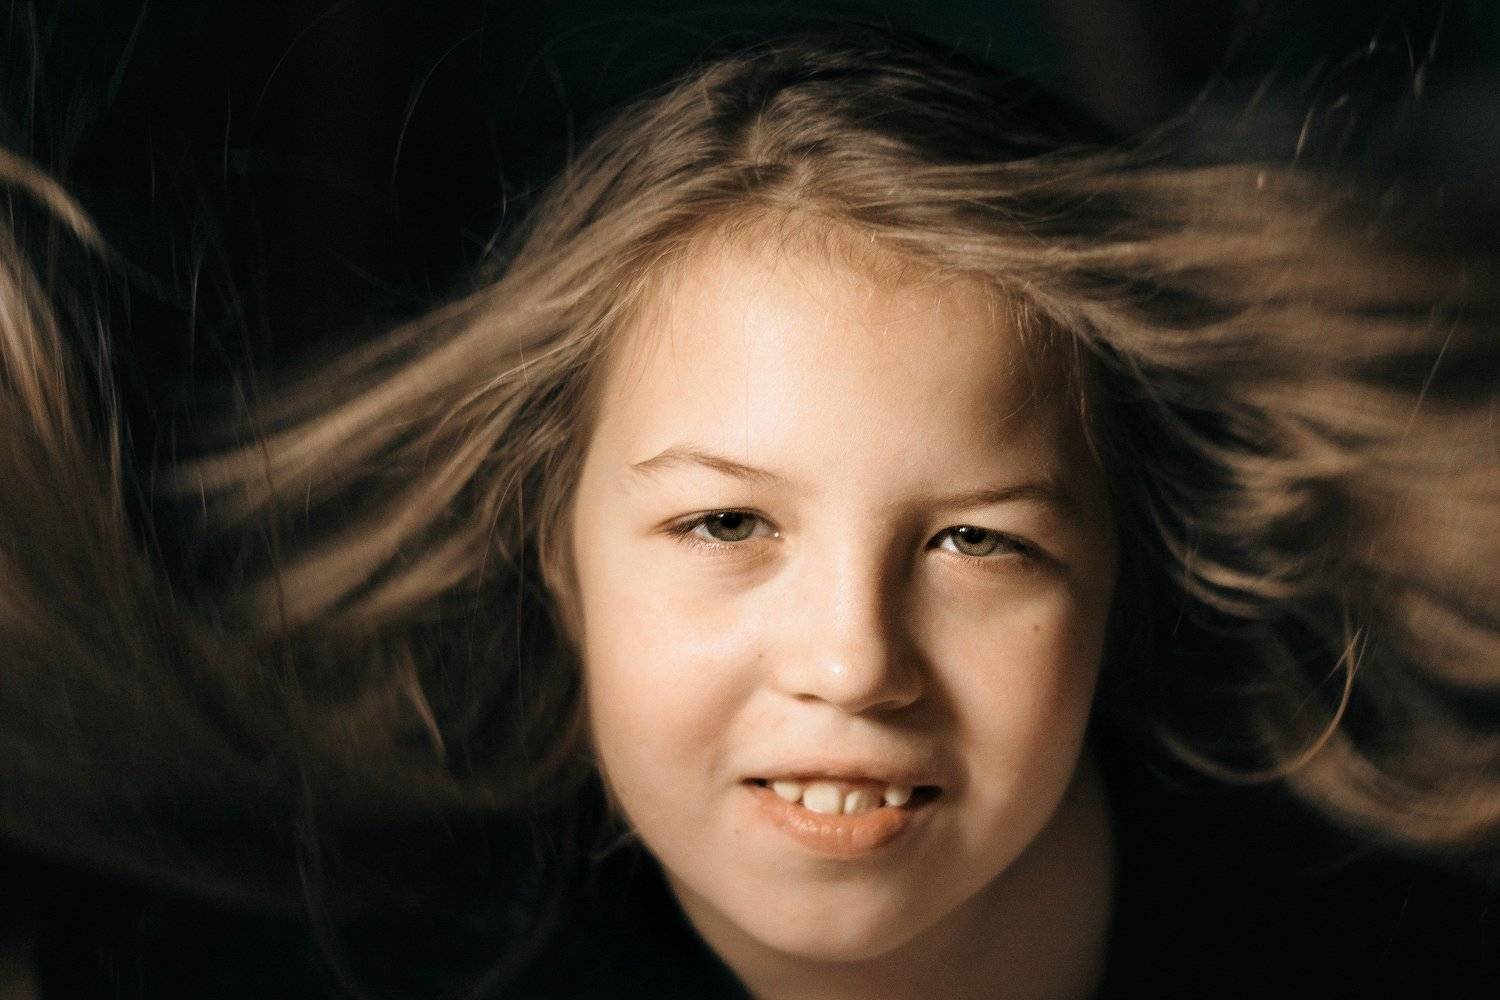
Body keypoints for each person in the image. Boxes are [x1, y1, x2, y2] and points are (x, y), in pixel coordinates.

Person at [1, 21, 1496, 1000]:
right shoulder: (345, 955)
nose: (853, 662)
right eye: (726, 526)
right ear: (554, 552)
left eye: (978, 540)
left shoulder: (1395, 937)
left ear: (1120, 569)